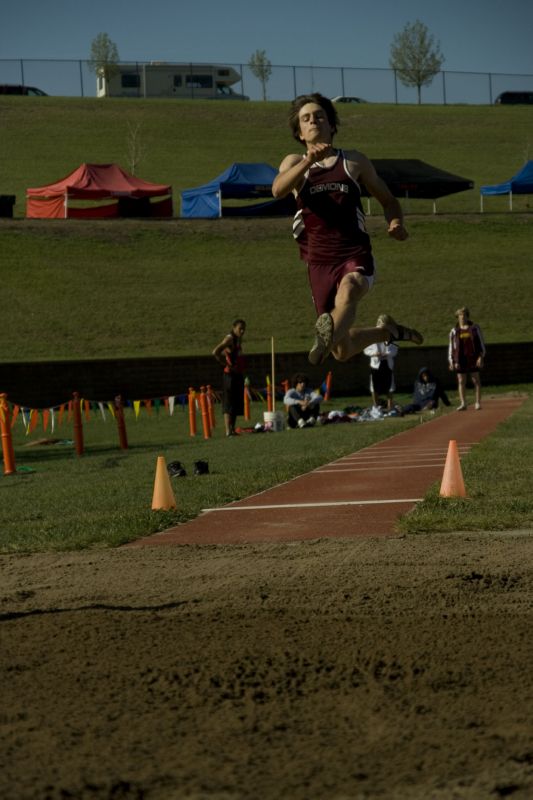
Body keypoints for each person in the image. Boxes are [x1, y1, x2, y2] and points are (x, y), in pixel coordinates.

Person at [272, 92, 423, 367]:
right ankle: (387, 331)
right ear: (300, 132)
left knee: (349, 290)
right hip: (318, 263)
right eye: (306, 119)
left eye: (320, 116)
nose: (313, 120)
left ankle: (323, 339)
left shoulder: (353, 161)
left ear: (332, 125)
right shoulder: (294, 163)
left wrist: (396, 222)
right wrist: (308, 160)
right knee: (342, 350)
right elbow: (278, 189)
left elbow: (389, 201)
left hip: (354, 253)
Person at [212, 319, 246, 436]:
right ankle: (228, 431)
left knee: (236, 401)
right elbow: (216, 351)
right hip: (229, 376)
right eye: (240, 328)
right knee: (229, 402)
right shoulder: (229, 338)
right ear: (234, 327)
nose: (242, 331)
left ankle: (232, 429)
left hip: (238, 374)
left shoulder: (238, 339)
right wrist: (226, 364)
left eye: (243, 329)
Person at [448, 307, 486, 411]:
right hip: (460, 359)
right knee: (461, 380)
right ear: (457, 317)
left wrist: (481, 357)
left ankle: (477, 402)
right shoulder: (454, 331)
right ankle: (463, 403)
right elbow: (451, 347)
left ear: (467, 316)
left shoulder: (475, 328)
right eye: (460, 315)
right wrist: (452, 361)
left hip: (473, 358)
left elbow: (481, 344)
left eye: (464, 315)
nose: (462, 317)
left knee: (476, 380)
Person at [363, 331, 399, 410]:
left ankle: (390, 406)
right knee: (374, 386)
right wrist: (374, 353)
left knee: (390, 385)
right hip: (375, 365)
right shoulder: (371, 339)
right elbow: (366, 350)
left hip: (387, 364)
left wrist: (387, 354)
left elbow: (395, 350)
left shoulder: (391, 339)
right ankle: (376, 406)